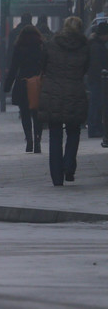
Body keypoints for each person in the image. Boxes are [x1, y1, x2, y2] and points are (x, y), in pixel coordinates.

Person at [38, 16, 90, 186]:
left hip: (53, 92)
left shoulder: (52, 43)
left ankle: (56, 177)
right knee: (74, 131)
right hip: (75, 92)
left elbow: (43, 65)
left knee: (55, 134)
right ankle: (68, 164)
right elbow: (85, 69)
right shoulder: (84, 46)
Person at [4, 24, 45, 153]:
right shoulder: (41, 46)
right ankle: (38, 140)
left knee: (25, 113)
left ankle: (29, 140)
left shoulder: (19, 48)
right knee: (37, 114)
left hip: (22, 83)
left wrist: (7, 85)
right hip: (38, 82)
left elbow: (13, 68)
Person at [87, 23, 108, 139]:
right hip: (97, 80)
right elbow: (97, 65)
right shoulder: (97, 46)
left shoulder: (96, 44)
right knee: (96, 104)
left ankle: (96, 127)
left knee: (97, 104)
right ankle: (95, 127)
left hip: (96, 79)